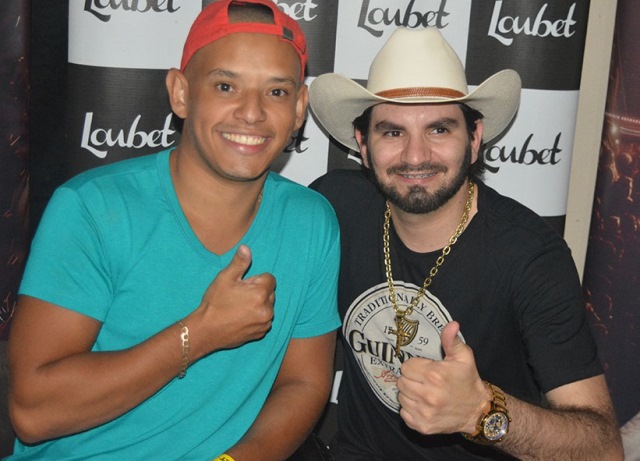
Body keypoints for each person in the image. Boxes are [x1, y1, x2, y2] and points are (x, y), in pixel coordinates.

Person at [6, 1, 340, 459]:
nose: (252, 112)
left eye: (277, 92)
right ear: (181, 93)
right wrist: (199, 333)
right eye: (226, 86)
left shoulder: (311, 221)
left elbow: (303, 384)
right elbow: (33, 413)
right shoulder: (93, 208)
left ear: (300, 108)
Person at [309, 27, 623, 460]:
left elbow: (603, 449)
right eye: (393, 132)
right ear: (363, 145)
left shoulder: (530, 257)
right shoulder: (334, 206)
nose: (415, 156)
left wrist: (481, 412)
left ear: (474, 140)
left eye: (439, 129)